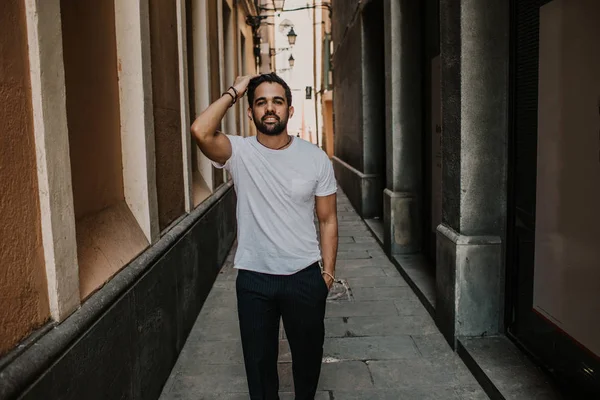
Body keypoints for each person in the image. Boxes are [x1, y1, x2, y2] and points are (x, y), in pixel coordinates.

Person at [191, 73, 338, 400]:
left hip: (304, 276)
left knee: (308, 362)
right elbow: (200, 130)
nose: (269, 108)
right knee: (259, 368)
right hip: (255, 279)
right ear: (250, 112)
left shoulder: (315, 158)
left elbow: (327, 220)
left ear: (289, 109)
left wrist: (326, 273)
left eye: (277, 101)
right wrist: (235, 90)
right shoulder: (239, 152)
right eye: (260, 102)